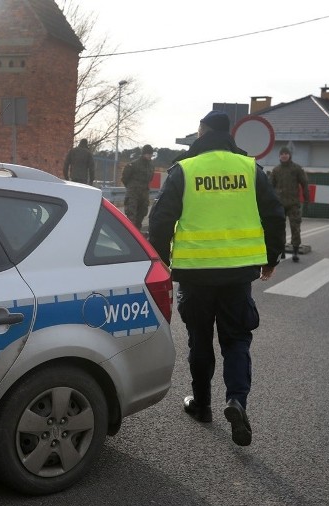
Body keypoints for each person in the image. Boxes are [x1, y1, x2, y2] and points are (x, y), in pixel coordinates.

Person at [148, 110, 286, 446]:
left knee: (199, 339)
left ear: (202, 131)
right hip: (238, 273)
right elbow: (274, 214)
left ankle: (202, 405)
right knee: (236, 339)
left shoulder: (185, 169)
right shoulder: (250, 168)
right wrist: (270, 258)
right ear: (230, 134)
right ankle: (236, 400)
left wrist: (161, 263)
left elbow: (161, 218)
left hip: (195, 273)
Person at [269, 146, 309, 262]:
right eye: (282, 154)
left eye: (286, 153)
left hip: (293, 204)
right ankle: (281, 251)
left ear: (289, 155)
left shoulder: (296, 169)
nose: (284, 155)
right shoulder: (276, 170)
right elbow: (270, 186)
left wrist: (306, 200)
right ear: (279, 156)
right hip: (279, 204)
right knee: (280, 229)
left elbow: (305, 184)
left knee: (295, 228)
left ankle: (295, 252)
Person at [121, 144, 156, 230]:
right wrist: (131, 187)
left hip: (144, 194)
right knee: (131, 217)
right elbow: (125, 178)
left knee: (141, 216)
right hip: (133, 193)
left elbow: (150, 178)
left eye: (151, 154)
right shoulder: (133, 164)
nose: (149, 156)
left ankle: (137, 236)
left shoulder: (151, 166)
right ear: (144, 153)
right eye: (148, 154)